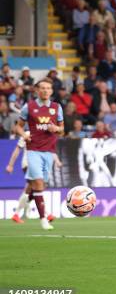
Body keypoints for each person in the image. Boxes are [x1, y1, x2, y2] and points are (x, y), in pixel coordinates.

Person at [14, 79, 64, 230]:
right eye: (42, 88)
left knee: (40, 185)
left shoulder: (56, 107)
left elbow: (62, 129)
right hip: (33, 150)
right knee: (38, 183)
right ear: (36, 90)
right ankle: (44, 219)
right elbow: (19, 127)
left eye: (48, 88)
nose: (45, 91)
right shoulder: (28, 107)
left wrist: (56, 128)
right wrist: (24, 135)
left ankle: (20, 211)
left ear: (51, 91)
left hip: (48, 151)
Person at [7, 131, 62, 223]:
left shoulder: (46, 135)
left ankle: (18, 212)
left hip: (40, 165)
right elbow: (17, 149)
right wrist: (10, 165)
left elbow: (50, 150)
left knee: (32, 189)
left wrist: (57, 161)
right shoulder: (27, 134)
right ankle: (46, 214)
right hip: (29, 163)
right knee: (35, 188)